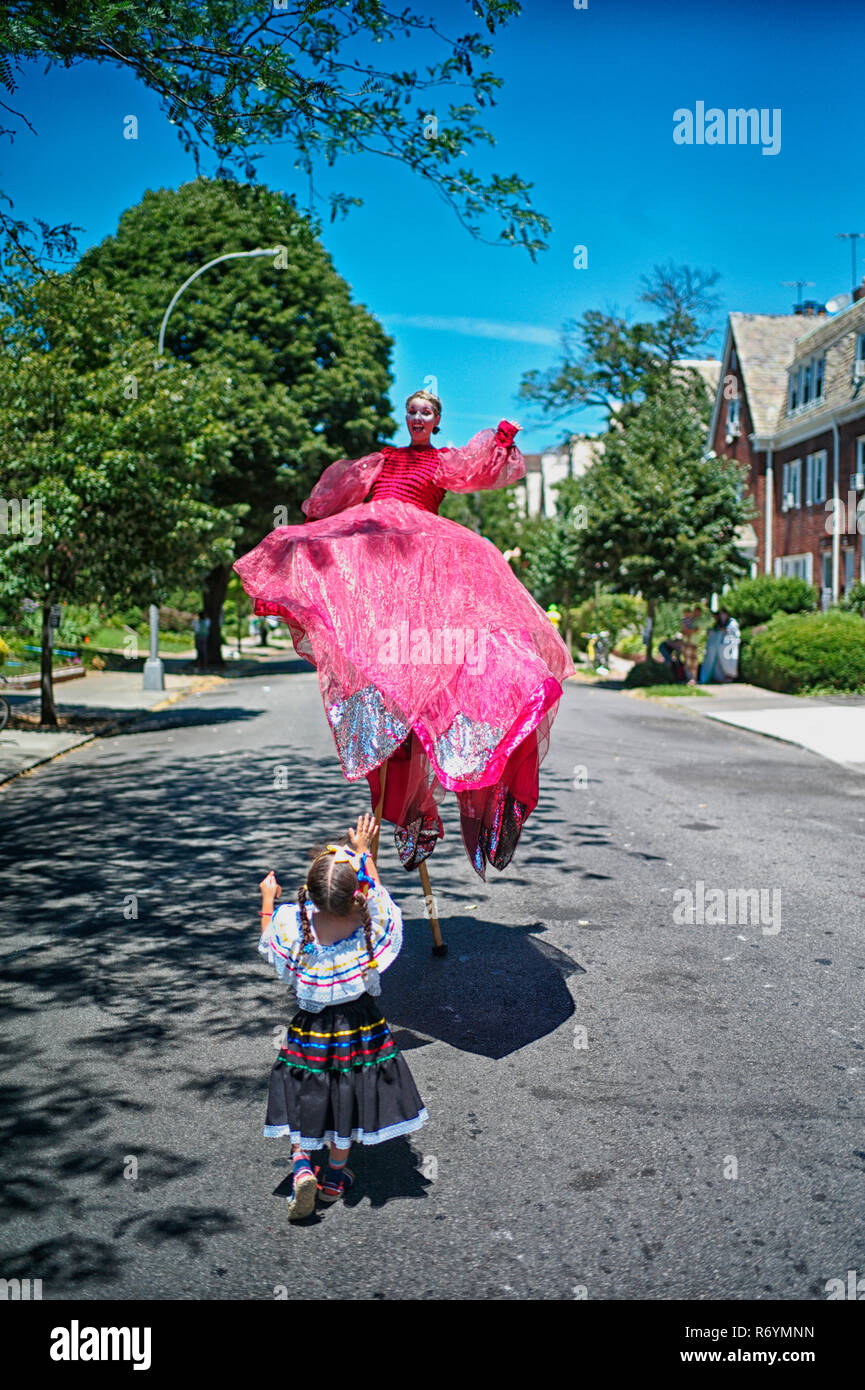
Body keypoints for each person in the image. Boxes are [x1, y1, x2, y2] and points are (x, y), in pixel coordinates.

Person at [234, 390, 575, 879]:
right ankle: (397, 755)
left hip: (421, 555)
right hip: (377, 552)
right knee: (334, 579)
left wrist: (501, 439)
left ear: (436, 421)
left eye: (427, 413)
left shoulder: (440, 462)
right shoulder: (381, 460)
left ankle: (432, 779)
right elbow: (333, 496)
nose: (418, 418)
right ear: (407, 417)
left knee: (449, 609)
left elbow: (477, 470)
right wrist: (319, 520)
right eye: (413, 411)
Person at [257, 812, 427, 1220]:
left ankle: (301, 1167)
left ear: (309, 894)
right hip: (360, 1029)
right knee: (346, 1097)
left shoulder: (291, 924)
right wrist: (365, 854)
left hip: (311, 1031)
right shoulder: (370, 922)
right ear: (358, 896)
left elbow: (267, 942)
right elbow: (382, 899)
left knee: (307, 1093)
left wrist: (267, 898)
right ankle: (334, 1177)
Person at [699, 609, 740, 683]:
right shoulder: (718, 623)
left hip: (728, 647)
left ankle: (729, 676)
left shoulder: (732, 622)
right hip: (720, 647)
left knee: (729, 661)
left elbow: (732, 632)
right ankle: (720, 676)